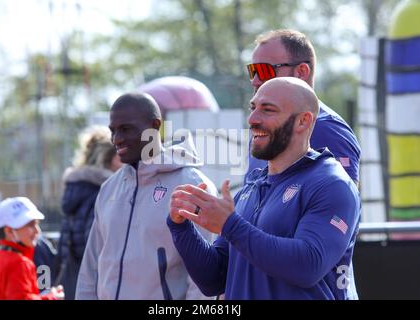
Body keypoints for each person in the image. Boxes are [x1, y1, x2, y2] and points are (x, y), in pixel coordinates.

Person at [167, 77, 361, 299]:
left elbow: (308, 265)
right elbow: (214, 279)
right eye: (253, 108)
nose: (252, 119)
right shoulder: (253, 187)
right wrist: (180, 226)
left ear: (303, 121)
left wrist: (229, 225)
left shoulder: (332, 184)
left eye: (267, 110)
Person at [76, 92, 217, 300]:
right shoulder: (109, 188)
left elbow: (203, 277)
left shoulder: (193, 185)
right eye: (112, 131)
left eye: (126, 129)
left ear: (154, 125)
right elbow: (90, 269)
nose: (116, 139)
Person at [245, 29, 361, 185]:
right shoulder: (262, 123)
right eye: (253, 71)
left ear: (301, 71)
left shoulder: (326, 128)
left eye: (264, 70)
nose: (255, 81)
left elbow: (341, 201)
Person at [56, 125, 122, 300]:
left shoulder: (76, 189)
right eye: (119, 153)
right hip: (95, 286)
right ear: (108, 158)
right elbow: (97, 247)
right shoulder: (104, 191)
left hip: (73, 281)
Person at [0, 197, 64, 300]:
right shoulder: (20, 263)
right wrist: (52, 297)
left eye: (36, 224)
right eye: (30, 225)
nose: (37, 231)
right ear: (9, 231)